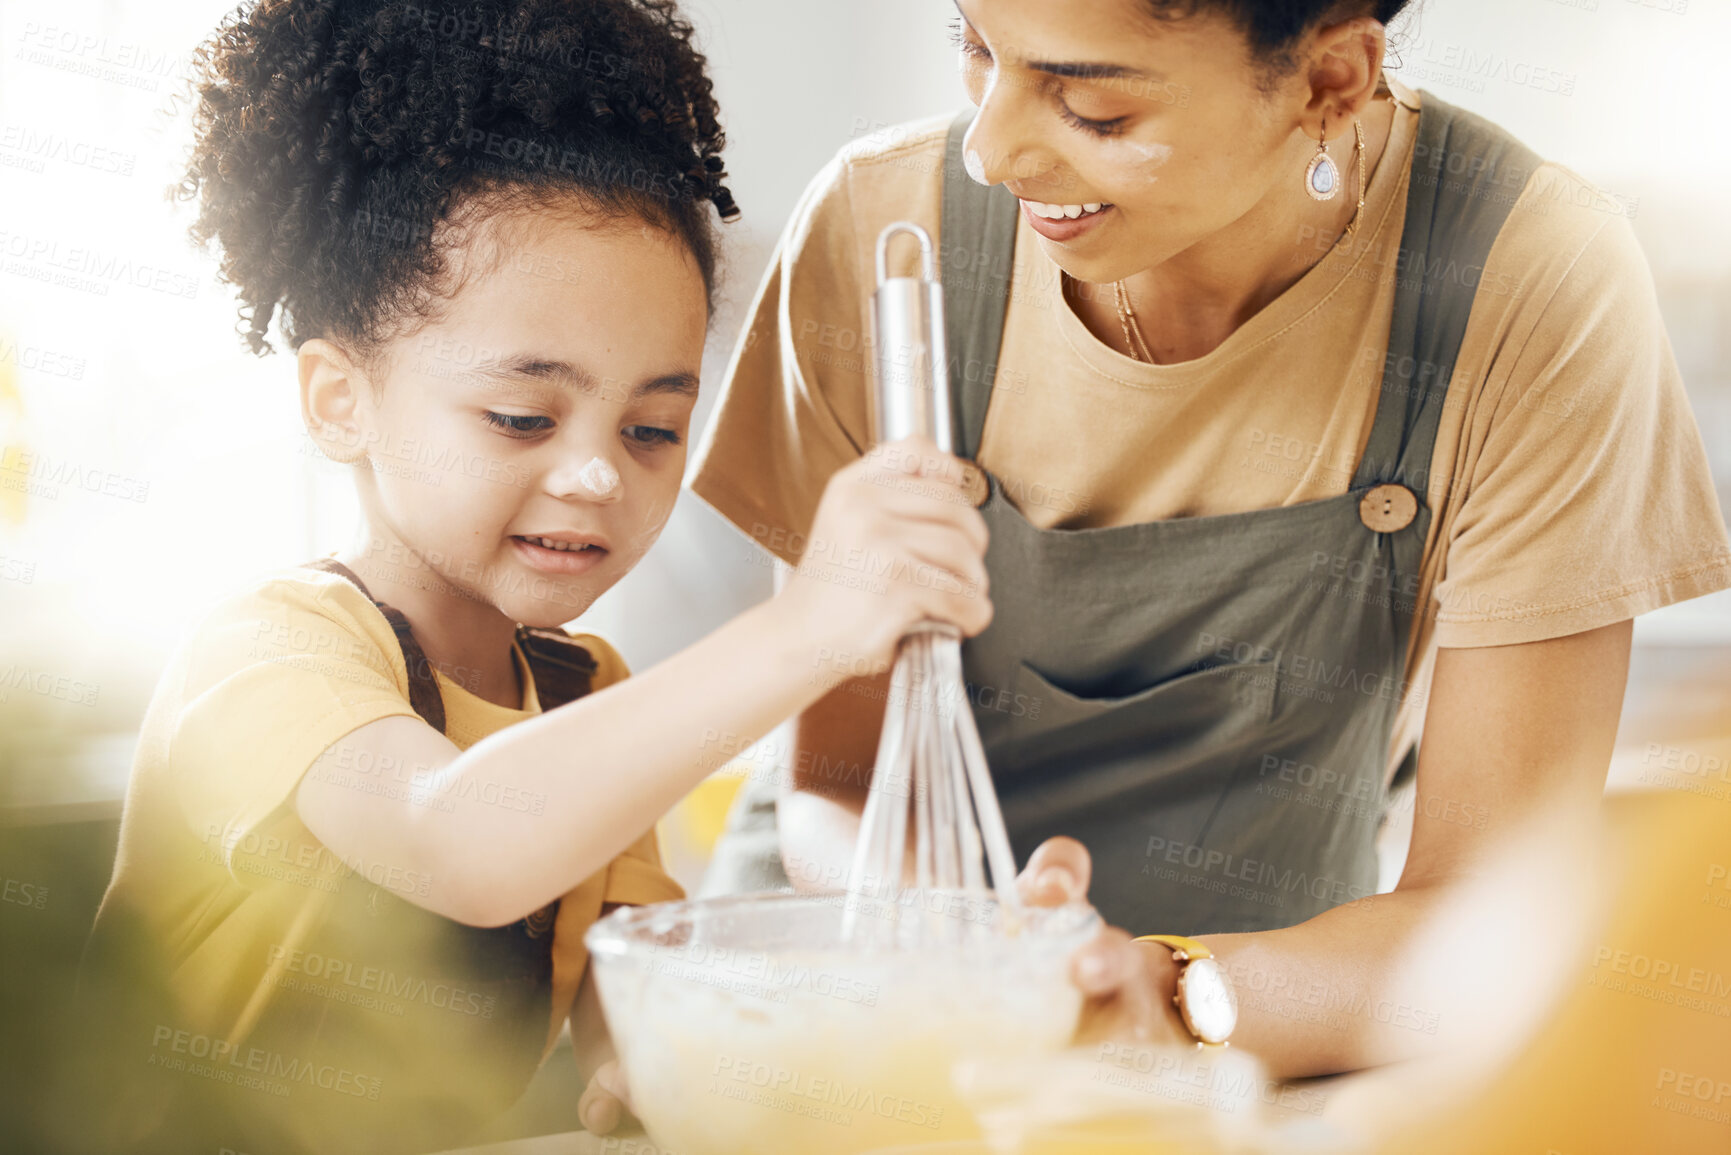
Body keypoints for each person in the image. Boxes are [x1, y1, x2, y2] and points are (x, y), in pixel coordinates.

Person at [689, 0, 1731, 1075]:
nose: (993, 151)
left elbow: (1488, 923)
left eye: (1092, 104)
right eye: (975, 47)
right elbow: (836, 780)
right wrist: (986, 967)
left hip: (1254, 1052)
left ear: (1331, 80)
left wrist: (1166, 998)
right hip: (848, 1022)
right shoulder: (888, 230)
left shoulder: (1529, 279)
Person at [67, 2, 994, 1152]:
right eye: (522, 416)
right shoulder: (272, 656)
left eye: (655, 428)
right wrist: (810, 624)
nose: (600, 474)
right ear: (339, 399)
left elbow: (642, 1028)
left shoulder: (588, 699)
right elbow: (462, 843)